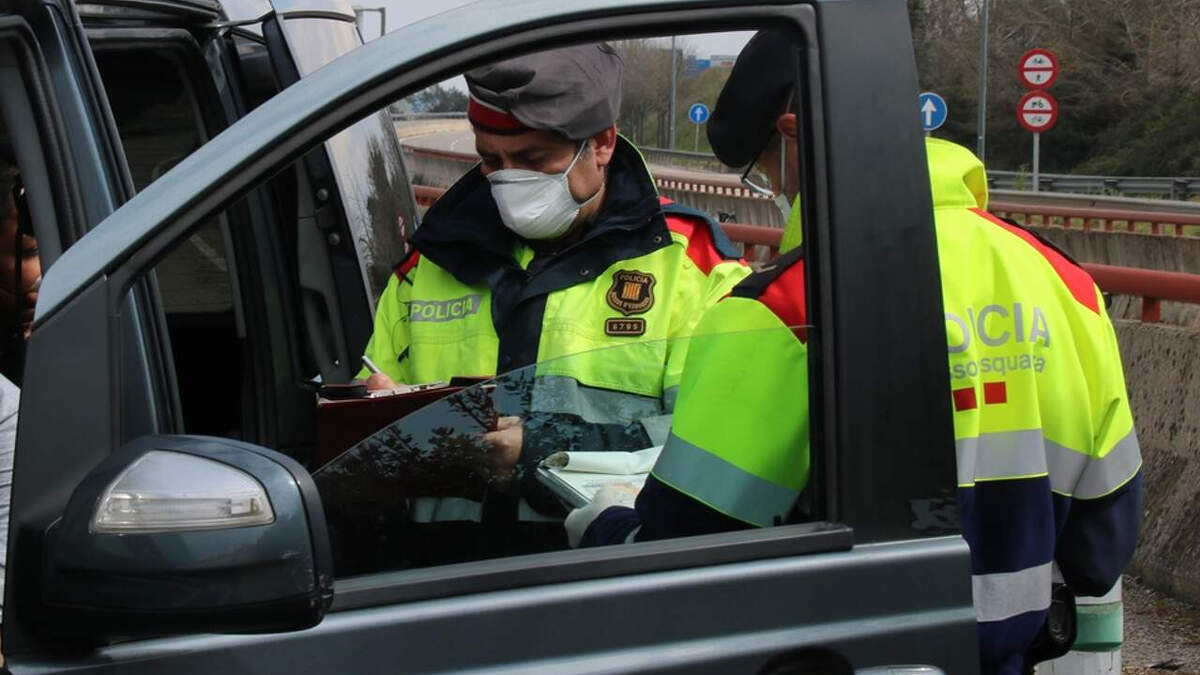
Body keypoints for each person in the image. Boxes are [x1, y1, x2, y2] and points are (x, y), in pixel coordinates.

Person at [567, 30, 1142, 675]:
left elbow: (682, 559)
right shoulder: (1062, 282)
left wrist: (601, 525)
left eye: (762, 174)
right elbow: (1102, 545)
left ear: (791, 134)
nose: (774, 192)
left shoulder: (783, 310)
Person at [354, 44, 749, 548]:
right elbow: (369, 411)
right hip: (438, 578)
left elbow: (709, 449)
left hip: (599, 574)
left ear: (602, 144)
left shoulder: (691, 266)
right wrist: (375, 416)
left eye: (533, 159)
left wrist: (541, 448)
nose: (509, 178)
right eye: (490, 159)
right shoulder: (429, 261)